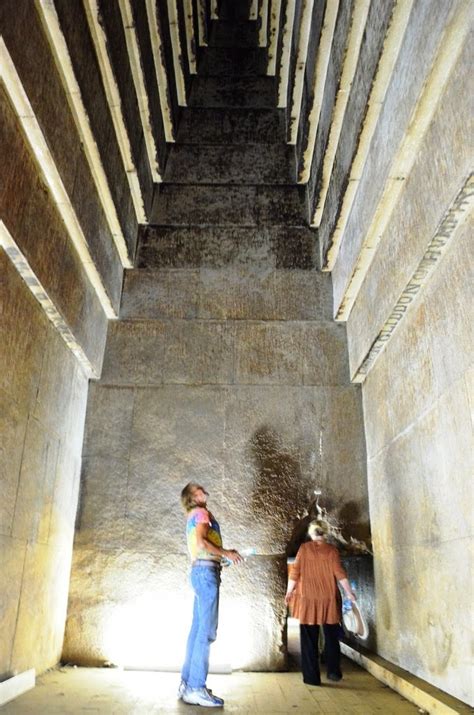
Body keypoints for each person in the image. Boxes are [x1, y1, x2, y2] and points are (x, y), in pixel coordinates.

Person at [179, 482, 243, 708]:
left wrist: (221, 556)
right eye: (198, 490)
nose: (204, 490)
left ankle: (187, 684)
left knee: (197, 630)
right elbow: (201, 542)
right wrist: (226, 553)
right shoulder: (202, 513)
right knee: (206, 632)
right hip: (206, 574)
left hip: (200, 571)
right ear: (192, 497)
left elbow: (201, 546)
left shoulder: (193, 515)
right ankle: (196, 687)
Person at [285, 520, 356, 686]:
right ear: (326, 533)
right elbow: (339, 573)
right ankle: (333, 671)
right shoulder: (332, 551)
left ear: (311, 533)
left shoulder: (304, 549)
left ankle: (312, 678)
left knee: (309, 639)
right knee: (331, 637)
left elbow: (295, 573)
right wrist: (349, 592)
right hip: (328, 599)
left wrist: (289, 592)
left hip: (308, 599)